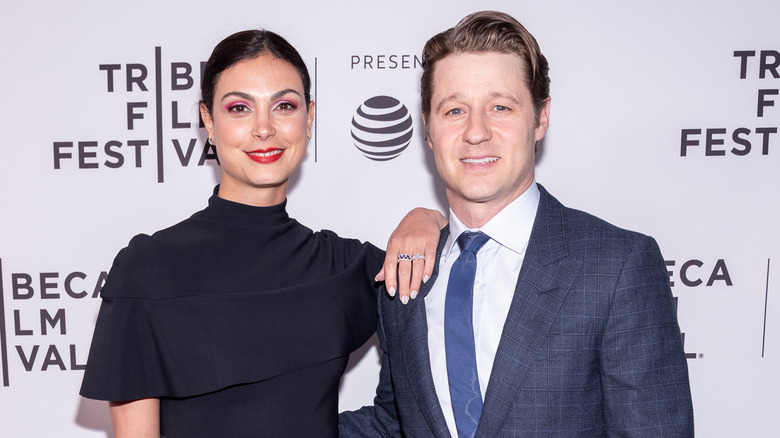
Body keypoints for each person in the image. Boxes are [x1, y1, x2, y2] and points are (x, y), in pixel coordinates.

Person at [340, 10, 694, 437]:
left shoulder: (615, 267)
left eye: (500, 107)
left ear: (540, 117)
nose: (476, 132)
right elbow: (396, 423)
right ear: (428, 129)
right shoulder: (407, 275)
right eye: (454, 110)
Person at [79, 29, 444, 437]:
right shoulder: (147, 268)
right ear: (208, 121)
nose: (264, 128)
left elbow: (466, 267)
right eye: (239, 108)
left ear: (310, 118)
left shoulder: (348, 267)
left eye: (284, 106)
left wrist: (427, 218)